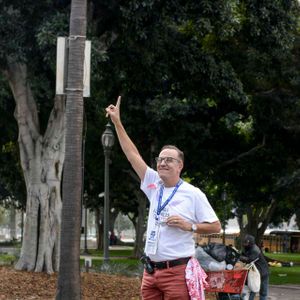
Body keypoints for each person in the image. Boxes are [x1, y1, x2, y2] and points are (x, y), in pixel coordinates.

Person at [106, 96, 221, 300]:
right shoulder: (153, 185)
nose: (163, 163)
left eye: (169, 160)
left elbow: (215, 226)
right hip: (150, 271)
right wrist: (117, 122)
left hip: (177, 272)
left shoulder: (193, 193)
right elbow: (132, 155)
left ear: (180, 166)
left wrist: (190, 226)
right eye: (160, 159)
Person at [239, 234, 269, 300]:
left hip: (263, 272)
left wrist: (239, 257)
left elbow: (249, 260)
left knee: (263, 292)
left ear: (251, 242)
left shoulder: (255, 250)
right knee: (252, 288)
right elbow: (243, 256)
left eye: (246, 243)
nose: (245, 244)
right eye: (244, 242)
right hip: (255, 272)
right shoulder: (246, 249)